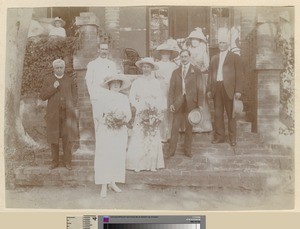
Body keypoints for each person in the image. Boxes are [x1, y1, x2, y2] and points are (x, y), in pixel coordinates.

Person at [94, 74, 132, 198]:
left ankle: (112, 182)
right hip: (106, 129)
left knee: (117, 155)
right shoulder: (102, 96)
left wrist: (121, 120)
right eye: (113, 82)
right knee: (105, 156)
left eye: (118, 82)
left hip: (120, 130)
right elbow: (98, 114)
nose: (116, 84)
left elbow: (128, 114)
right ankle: (103, 185)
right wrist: (109, 120)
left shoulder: (123, 98)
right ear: (109, 84)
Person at [126, 57, 165, 172]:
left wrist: (154, 109)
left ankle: (151, 164)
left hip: (152, 111)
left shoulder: (156, 83)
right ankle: (138, 164)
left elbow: (159, 98)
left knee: (151, 135)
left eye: (148, 67)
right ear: (141, 68)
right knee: (139, 135)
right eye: (144, 67)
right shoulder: (137, 82)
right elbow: (132, 97)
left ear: (152, 68)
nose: (146, 69)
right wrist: (139, 105)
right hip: (141, 110)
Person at [207, 28, 243, 147]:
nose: (221, 45)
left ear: (228, 44)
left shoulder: (234, 57)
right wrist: (209, 89)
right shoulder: (214, 58)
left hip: (229, 89)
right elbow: (210, 75)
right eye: (220, 43)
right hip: (217, 88)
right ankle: (220, 137)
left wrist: (238, 90)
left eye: (223, 43)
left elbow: (239, 74)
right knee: (218, 114)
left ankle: (232, 138)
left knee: (231, 114)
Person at [40, 59, 78, 170]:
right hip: (53, 114)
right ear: (54, 68)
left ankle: (67, 162)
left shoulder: (69, 80)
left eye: (61, 67)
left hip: (67, 114)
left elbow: (75, 95)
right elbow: (42, 96)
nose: (59, 69)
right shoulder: (48, 80)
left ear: (64, 68)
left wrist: (71, 106)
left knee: (67, 138)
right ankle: (55, 162)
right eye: (57, 67)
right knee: (54, 138)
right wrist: (53, 87)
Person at [167, 50, 203, 158]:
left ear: (189, 57)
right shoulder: (175, 72)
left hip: (191, 102)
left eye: (186, 56)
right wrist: (171, 104)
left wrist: (200, 104)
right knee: (175, 126)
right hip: (178, 101)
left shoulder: (196, 71)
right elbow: (171, 89)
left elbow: (200, 88)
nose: (184, 58)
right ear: (180, 58)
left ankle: (188, 150)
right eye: (182, 57)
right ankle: (171, 150)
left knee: (189, 127)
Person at [185, 28, 212, 133]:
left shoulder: (203, 52)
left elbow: (207, 66)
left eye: (196, 40)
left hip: (199, 77)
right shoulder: (188, 52)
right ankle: (189, 123)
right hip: (188, 78)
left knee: (201, 98)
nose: (194, 42)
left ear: (200, 41)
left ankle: (201, 123)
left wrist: (200, 70)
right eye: (192, 40)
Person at [85, 42, 117, 129]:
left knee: (109, 119)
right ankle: (99, 142)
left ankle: (108, 142)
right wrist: (92, 96)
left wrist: (113, 95)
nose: (104, 51)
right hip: (97, 96)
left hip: (109, 96)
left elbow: (115, 81)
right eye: (102, 49)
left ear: (108, 51)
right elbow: (88, 81)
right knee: (98, 120)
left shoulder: (112, 64)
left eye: (106, 49)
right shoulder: (92, 64)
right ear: (98, 50)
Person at [153, 43, 179, 143]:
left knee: (170, 109)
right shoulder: (157, 65)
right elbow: (153, 78)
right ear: (160, 54)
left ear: (170, 54)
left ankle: (169, 134)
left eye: (167, 53)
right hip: (160, 88)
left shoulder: (174, 65)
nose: (165, 55)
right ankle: (160, 134)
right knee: (160, 109)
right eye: (163, 53)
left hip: (171, 89)